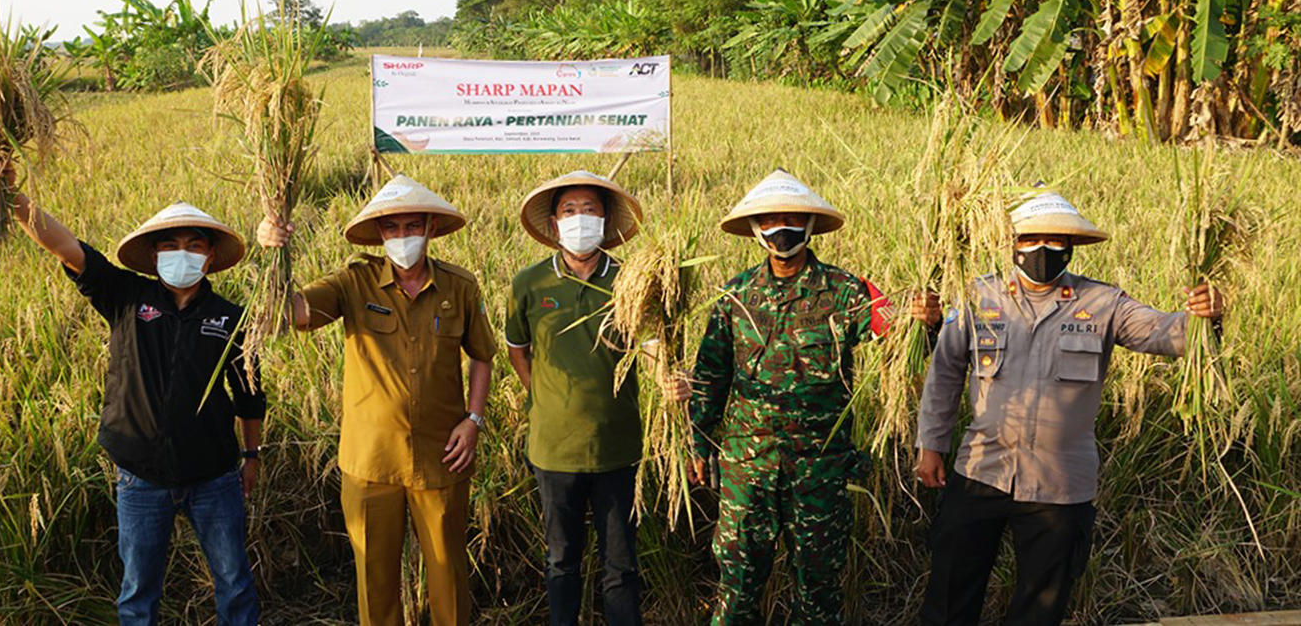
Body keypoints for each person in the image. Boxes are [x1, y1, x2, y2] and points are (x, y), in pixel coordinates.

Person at [914, 189, 1226, 626]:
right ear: (1013, 243)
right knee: (949, 597)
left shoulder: (1102, 303)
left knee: (1040, 608)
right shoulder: (977, 297)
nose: (1042, 249)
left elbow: (1164, 333)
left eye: (1056, 240)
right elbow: (945, 373)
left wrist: (1203, 318)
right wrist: (931, 445)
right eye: (1031, 239)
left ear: (1072, 247)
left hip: (1059, 484)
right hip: (981, 471)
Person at [0, 155, 263, 626]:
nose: (183, 253)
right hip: (140, 475)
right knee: (137, 593)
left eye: (194, 245)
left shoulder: (231, 318)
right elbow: (66, 247)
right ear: (154, 257)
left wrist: (251, 456)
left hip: (213, 476)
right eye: (170, 245)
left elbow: (251, 393)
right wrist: (12, 198)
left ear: (210, 257)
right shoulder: (126, 296)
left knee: (233, 582)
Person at [686, 168, 941, 625]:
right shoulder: (734, 296)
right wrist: (698, 442)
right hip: (749, 471)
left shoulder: (848, 292)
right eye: (770, 220)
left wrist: (927, 322)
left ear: (808, 224)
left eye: (791, 218)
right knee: (737, 588)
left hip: (819, 473)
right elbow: (711, 377)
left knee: (819, 594)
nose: (780, 228)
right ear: (755, 229)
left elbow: (900, 342)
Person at [257, 174, 495, 626]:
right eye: (392, 229)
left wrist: (474, 420)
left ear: (429, 228)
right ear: (380, 234)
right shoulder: (354, 282)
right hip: (371, 462)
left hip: (442, 456)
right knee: (375, 581)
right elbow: (292, 313)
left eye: (411, 227)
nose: (402, 237)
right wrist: (273, 255)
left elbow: (483, 357)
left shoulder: (460, 288)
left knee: (448, 580)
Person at [504, 170, 647, 626]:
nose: (579, 219)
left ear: (606, 220)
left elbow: (655, 346)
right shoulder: (529, 284)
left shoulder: (631, 283)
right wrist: (548, 398)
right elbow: (517, 349)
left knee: (621, 566)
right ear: (553, 223)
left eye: (590, 209)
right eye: (569, 211)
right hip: (553, 449)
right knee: (561, 560)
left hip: (617, 447)